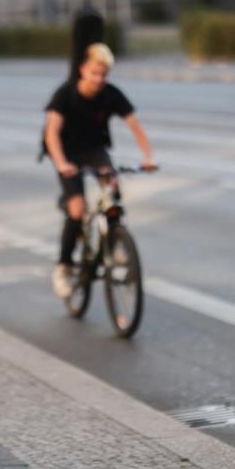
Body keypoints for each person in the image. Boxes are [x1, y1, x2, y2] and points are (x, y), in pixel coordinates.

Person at [44, 43, 157, 298]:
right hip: (67, 152)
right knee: (77, 208)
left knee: (113, 186)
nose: (99, 79)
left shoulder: (111, 94)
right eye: (94, 72)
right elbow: (51, 133)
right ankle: (63, 266)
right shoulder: (66, 94)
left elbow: (135, 126)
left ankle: (115, 240)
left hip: (95, 149)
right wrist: (62, 163)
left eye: (104, 74)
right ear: (83, 69)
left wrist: (148, 156)